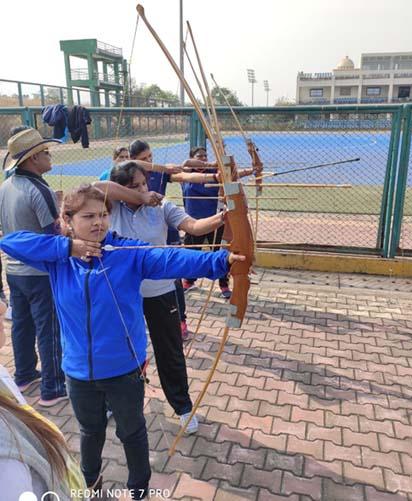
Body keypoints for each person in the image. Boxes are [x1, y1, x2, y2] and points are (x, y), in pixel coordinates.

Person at [0, 184, 245, 498]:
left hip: (123, 370)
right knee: (90, 432)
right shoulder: (58, 259)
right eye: (89, 216)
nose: (98, 222)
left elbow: (169, 257)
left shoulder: (126, 253)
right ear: (68, 220)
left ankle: (139, 489)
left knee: (132, 432)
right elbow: (11, 242)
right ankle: (89, 487)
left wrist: (221, 262)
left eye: (103, 215)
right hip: (78, 372)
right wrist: (68, 248)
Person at [110, 162, 224, 433]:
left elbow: (194, 226)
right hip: (123, 293)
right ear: (122, 189)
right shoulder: (111, 207)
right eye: (134, 185)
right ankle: (115, 404)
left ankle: (182, 406)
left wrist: (223, 217)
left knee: (170, 351)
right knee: (123, 351)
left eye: (144, 183)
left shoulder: (161, 208)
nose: (143, 189)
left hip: (160, 291)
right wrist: (140, 198)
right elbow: (98, 188)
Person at [0, 128, 67, 407]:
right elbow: (52, 235)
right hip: (39, 272)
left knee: (22, 324)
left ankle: (25, 373)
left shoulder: (5, 186)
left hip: (13, 271)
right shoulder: (40, 188)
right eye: (46, 152)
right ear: (33, 158)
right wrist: (61, 211)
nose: (50, 156)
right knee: (48, 328)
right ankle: (52, 387)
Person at [128, 139, 221, 338]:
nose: (149, 161)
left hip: (162, 230)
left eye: (150, 156)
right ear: (132, 160)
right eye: (144, 159)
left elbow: (185, 174)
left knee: (172, 279)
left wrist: (214, 174)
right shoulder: (123, 178)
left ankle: (180, 320)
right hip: (136, 235)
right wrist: (158, 167)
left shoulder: (160, 175)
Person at [0, 296, 86, 500]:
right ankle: (52, 387)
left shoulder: (2, 377)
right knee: (47, 329)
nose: (3, 306)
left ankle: (29, 376)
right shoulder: (7, 464)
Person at [182, 146, 255, 299]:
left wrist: (251, 170)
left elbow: (232, 175)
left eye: (205, 156)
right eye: (199, 156)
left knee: (221, 255)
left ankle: (223, 283)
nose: (203, 158)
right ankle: (189, 280)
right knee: (191, 253)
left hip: (214, 222)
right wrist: (214, 163)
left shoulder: (215, 174)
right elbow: (186, 163)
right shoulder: (187, 173)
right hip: (192, 222)